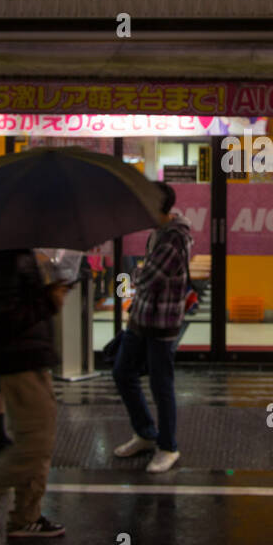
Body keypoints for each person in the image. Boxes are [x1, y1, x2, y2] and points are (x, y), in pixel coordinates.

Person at [0, 248, 80, 538]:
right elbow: (3, 316)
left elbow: (17, 305)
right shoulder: (2, 260)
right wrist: (48, 301)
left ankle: (25, 516)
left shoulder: (16, 256)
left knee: (39, 441)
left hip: (32, 358)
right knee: (33, 447)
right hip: (19, 362)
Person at [112, 182, 192, 473]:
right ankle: (146, 433)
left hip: (162, 322)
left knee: (161, 385)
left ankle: (168, 446)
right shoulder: (157, 233)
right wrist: (141, 273)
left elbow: (149, 277)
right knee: (122, 373)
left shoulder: (175, 238)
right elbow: (145, 276)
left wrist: (138, 271)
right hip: (140, 318)